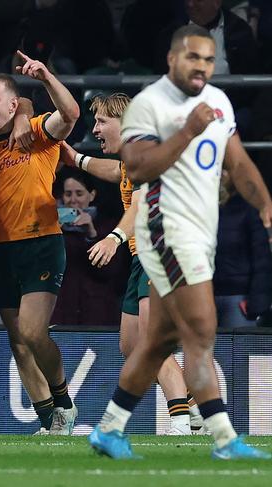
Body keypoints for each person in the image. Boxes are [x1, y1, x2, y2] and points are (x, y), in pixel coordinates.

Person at [89, 25, 272, 459]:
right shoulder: (150, 106)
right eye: (194, 58)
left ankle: (110, 429)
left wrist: (265, 205)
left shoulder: (219, 102)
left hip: (197, 231)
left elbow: (239, 161)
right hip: (164, 231)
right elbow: (136, 165)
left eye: (209, 60)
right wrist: (187, 132)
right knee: (200, 330)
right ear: (173, 59)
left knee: (156, 341)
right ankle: (225, 439)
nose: (202, 67)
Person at [60, 93, 201, 434]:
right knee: (131, 347)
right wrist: (76, 159)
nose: (95, 128)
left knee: (152, 343)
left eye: (102, 121)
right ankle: (197, 410)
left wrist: (115, 238)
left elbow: (138, 205)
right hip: (144, 258)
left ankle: (181, 423)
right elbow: (115, 172)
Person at [0, 58, 80, 435]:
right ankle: (49, 419)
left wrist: (46, 77)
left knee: (34, 333)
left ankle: (64, 402)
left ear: (12, 105)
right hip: (2, 249)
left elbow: (69, 113)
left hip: (41, 242)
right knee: (18, 341)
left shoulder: (36, 133)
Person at [51, 171, 130, 327]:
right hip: (62, 314)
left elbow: (111, 272)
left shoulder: (108, 227)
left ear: (91, 195)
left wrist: (92, 234)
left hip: (98, 315)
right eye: (68, 194)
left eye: (79, 193)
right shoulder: (51, 226)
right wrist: (53, 233)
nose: (73, 200)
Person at [214, 170, 272, 327]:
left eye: (225, 172)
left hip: (239, 298)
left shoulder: (248, 209)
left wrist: (256, 303)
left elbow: (262, 259)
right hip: (204, 294)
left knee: (237, 349)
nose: (220, 176)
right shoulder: (200, 209)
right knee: (202, 350)